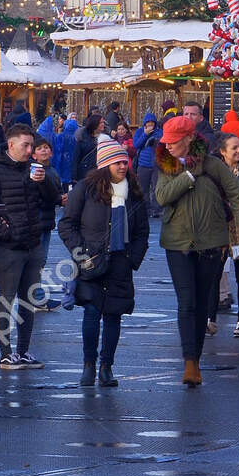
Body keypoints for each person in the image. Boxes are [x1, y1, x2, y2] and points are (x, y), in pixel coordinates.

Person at [156, 115, 239, 386]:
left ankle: (195, 359)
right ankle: (189, 362)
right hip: (177, 244)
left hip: (212, 244)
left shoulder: (213, 165)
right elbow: (162, 197)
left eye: (174, 142)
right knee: (186, 303)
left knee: (201, 303)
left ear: (189, 139)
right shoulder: (167, 165)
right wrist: (188, 175)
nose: (168, 147)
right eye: (166, 142)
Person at [59, 137, 148, 388]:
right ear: (105, 164)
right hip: (91, 261)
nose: (123, 166)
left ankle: (106, 367)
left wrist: (133, 258)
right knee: (91, 312)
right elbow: (67, 225)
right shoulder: (86, 190)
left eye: (125, 161)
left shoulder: (134, 192)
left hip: (121, 263)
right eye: (117, 162)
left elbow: (142, 230)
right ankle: (88, 365)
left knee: (113, 315)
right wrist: (81, 251)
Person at [0, 125, 62, 370]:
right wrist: (7, 232)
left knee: (27, 301)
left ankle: (23, 351)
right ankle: (5, 354)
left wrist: (44, 181)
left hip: (32, 243)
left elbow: (53, 199)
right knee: (7, 298)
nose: (30, 150)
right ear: (11, 144)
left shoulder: (34, 168)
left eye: (32, 146)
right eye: (26, 146)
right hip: (9, 247)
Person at [212, 133, 239, 336]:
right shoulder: (214, 170)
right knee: (215, 273)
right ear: (222, 152)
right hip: (219, 232)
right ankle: (210, 318)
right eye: (234, 148)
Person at [133, 113, 161, 217]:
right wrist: (145, 134)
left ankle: (156, 210)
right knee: (143, 188)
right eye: (148, 123)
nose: (150, 125)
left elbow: (163, 145)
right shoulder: (139, 131)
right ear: (145, 124)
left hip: (156, 165)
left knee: (156, 188)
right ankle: (145, 209)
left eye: (152, 123)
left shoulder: (159, 132)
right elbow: (136, 145)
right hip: (143, 164)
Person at [76, 113, 104, 184]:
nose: (103, 124)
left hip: (100, 172)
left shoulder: (106, 138)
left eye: (103, 122)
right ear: (95, 123)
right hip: (85, 173)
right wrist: (74, 177)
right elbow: (76, 158)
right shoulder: (82, 138)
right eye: (101, 122)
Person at [54, 115, 78, 187]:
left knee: (64, 182)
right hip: (74, 162)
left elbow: (57, 148)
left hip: (64, 160)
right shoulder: (77, 137)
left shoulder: (60, 136)